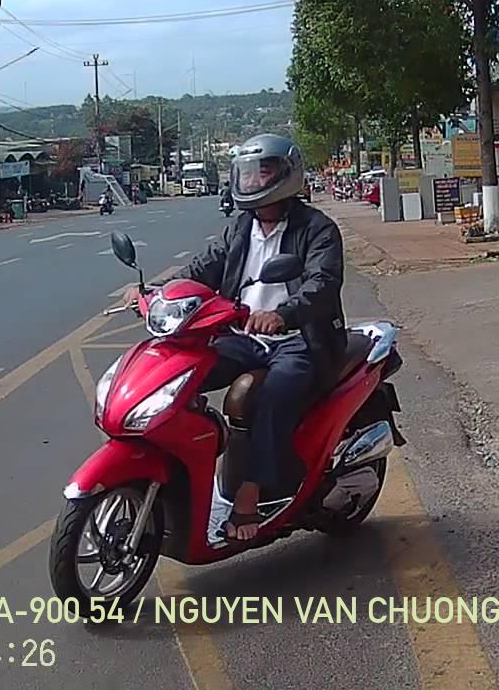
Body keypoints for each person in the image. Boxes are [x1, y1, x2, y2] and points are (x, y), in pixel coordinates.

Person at [123, 133, 346, 541]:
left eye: (265, 172)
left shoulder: (318, 229)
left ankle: (249, 492)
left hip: (299, 338)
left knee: (274, 393)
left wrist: (282, 315)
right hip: (242, 335)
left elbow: (322, 284)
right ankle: (191, 463)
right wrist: (156, 292)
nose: (254, 180)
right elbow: (203, 267)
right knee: (182, 373)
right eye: (248, 173)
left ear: (287, 175)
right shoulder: (242, 228)